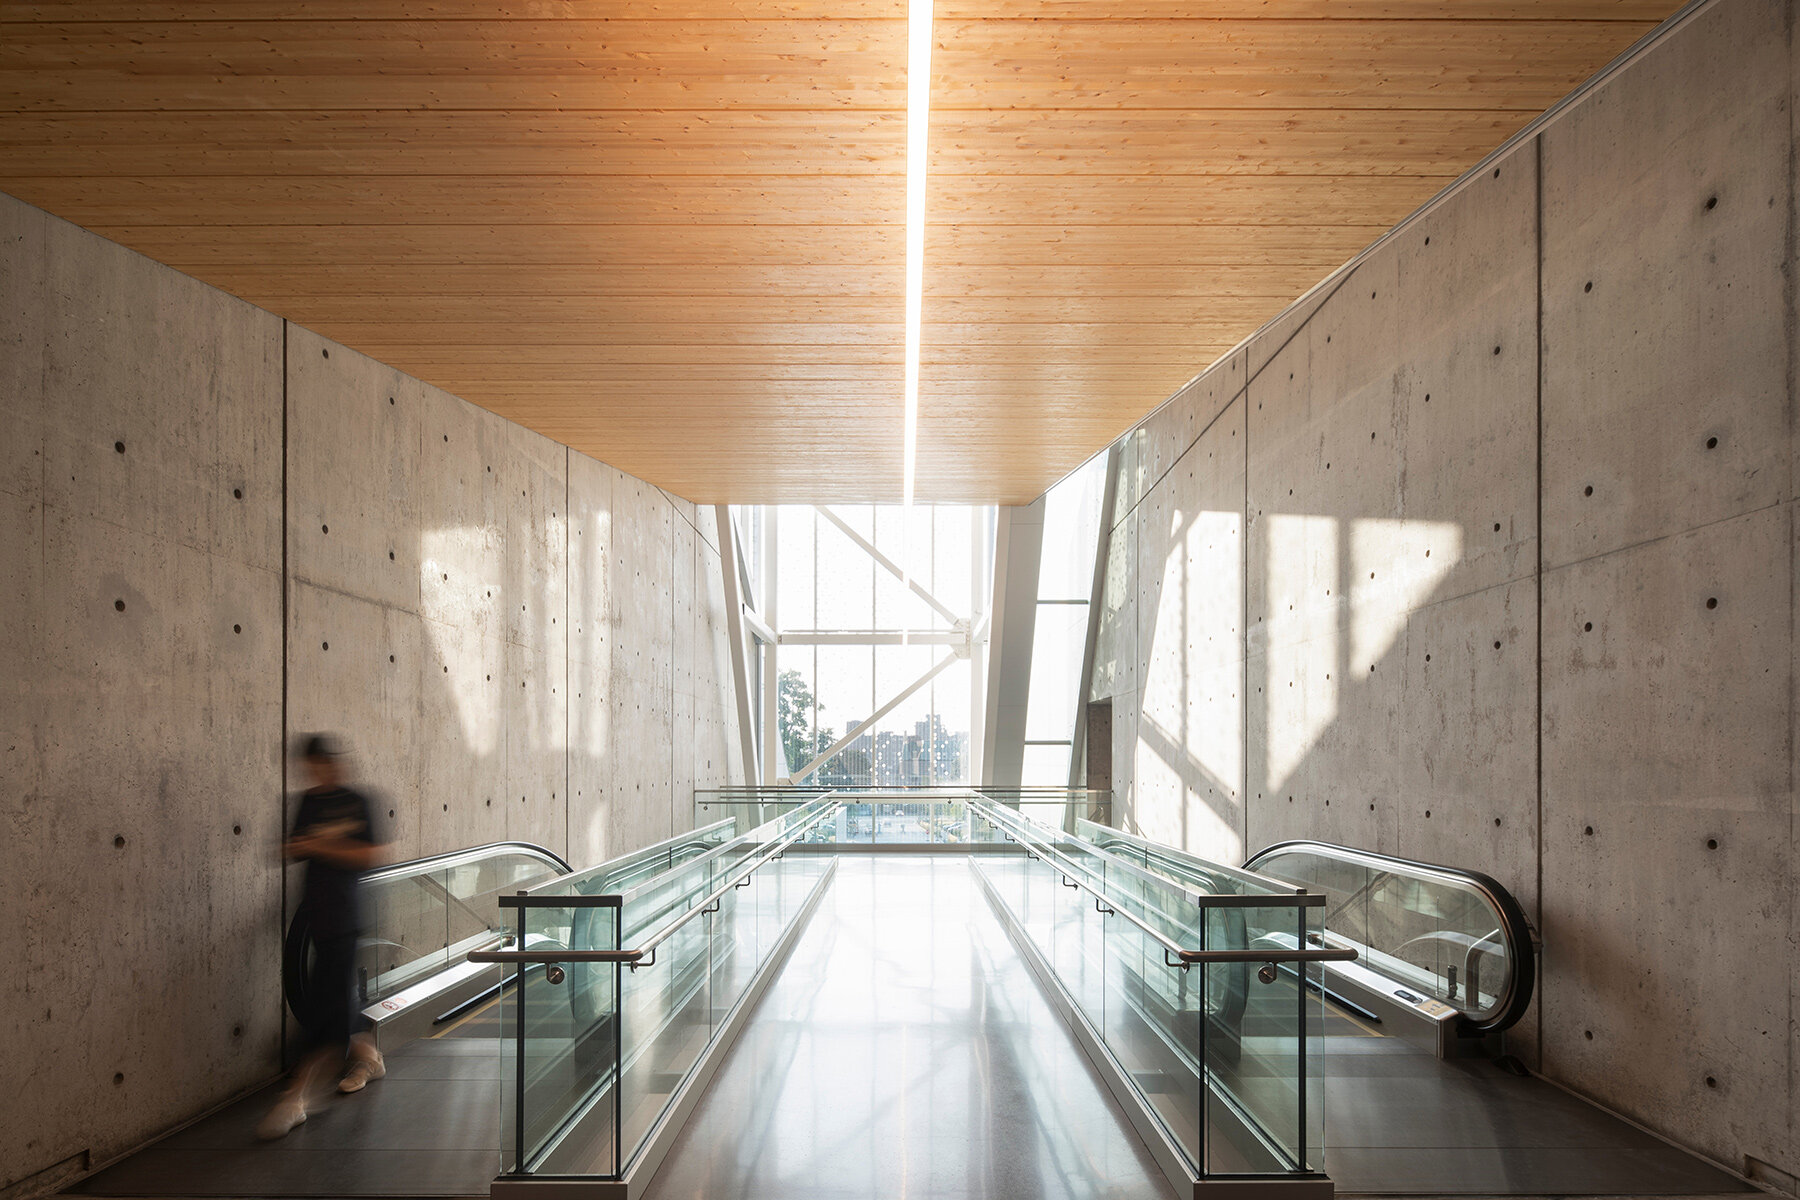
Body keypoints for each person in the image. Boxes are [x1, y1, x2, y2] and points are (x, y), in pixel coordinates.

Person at [259, 734, 390, 1140]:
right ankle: (368, 1056)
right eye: (311, 767)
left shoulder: (358, 801)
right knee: (334, 998)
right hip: (315, 915)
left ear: (334, 763)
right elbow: (290, 848)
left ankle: (296, 1096)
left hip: (347, 914)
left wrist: (322, 845)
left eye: (322, 765)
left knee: (324, 1004)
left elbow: (370, 855)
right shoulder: (308, 802)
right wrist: (319, 845)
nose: (317, 773)